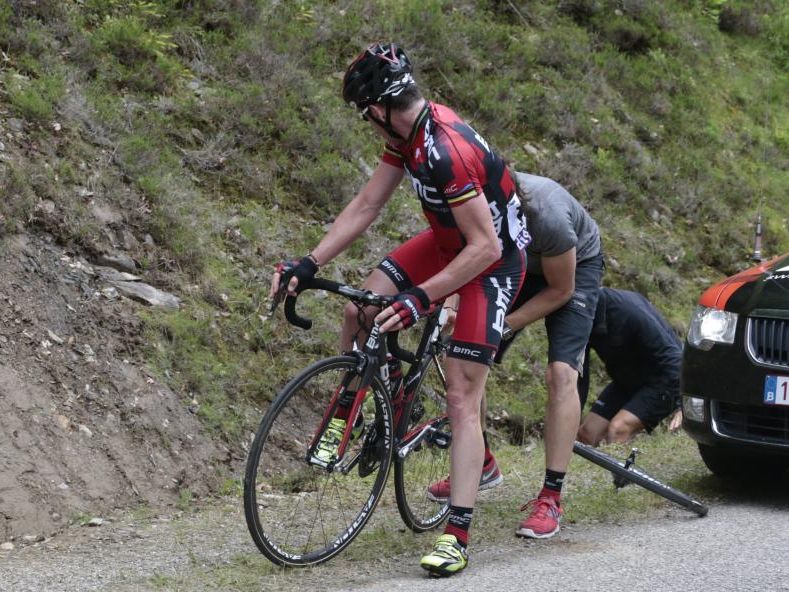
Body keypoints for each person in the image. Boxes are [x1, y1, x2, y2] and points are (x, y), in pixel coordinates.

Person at [270, 42, 529, 577]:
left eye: (364, 113)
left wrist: (422, 297)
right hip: (447, 240)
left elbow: (485, 247)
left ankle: (456, 535)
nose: (366, 123)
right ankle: (364, 402)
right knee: (361, 309)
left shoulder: (445, 151)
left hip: (492, 261)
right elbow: (368, 203)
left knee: (461, 397)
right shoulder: (406, 135)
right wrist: (310, 262)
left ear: (379, 109)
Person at [429, 172, 604, 540]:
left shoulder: (548, 216)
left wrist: (504, 326)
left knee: (561, 373)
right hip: (515, 262)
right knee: (466, 354)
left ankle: (551, 497)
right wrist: (451, 306)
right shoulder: (469, 205)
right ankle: (482, 465)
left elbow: (560, 291)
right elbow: (463, 261)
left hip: (572, 270)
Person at [576, 287, 683, 445]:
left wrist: (684, 404)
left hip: (663, 379)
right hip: (627, 380)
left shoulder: (630, 312)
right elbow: (580, 376)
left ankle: (621, 461)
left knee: (618, 429)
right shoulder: (578, 318)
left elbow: (674, 358)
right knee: (587, 433)